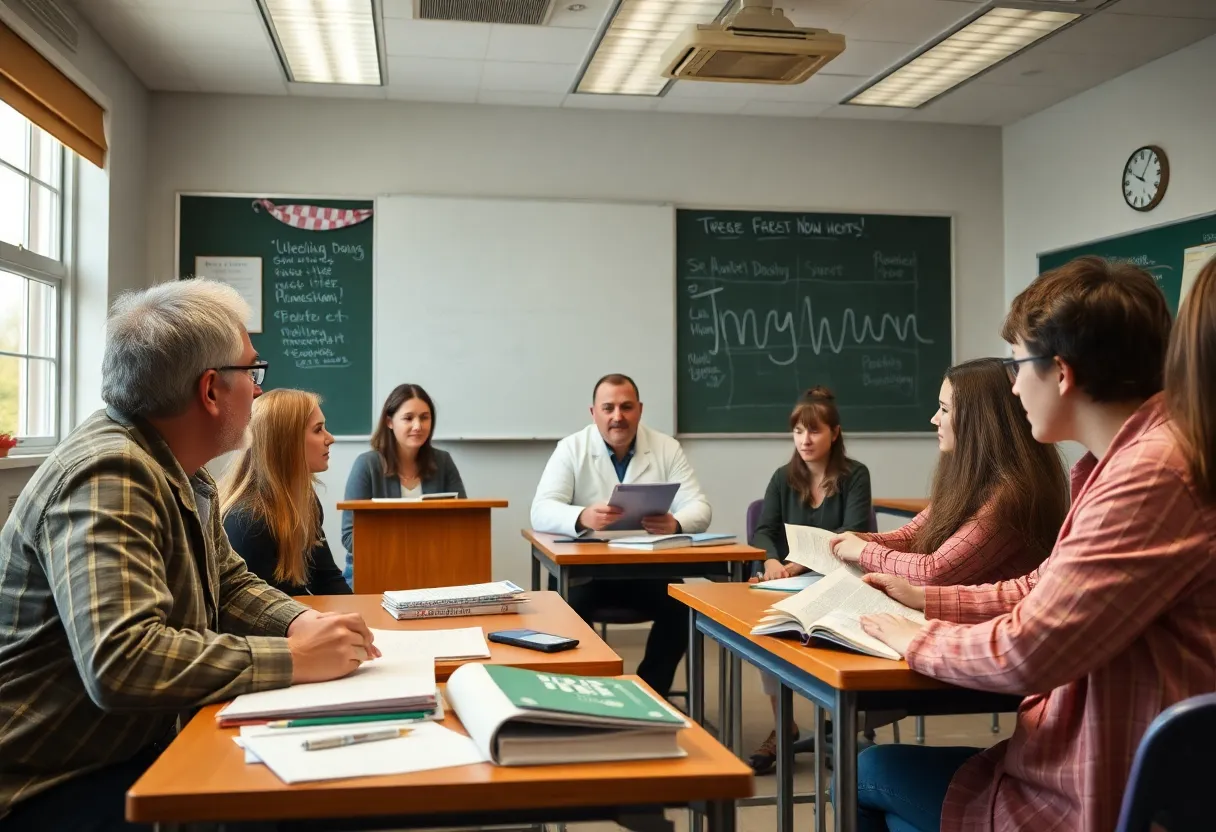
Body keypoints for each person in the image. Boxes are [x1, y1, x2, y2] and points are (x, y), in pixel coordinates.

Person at [0, 279, 378, 831]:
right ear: (210, 390)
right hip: (53, 781)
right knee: (284, 804)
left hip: (125, 749)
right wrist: (294, 659)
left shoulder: (175, 464)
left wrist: (304, 623)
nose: (257, 389)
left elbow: (227, 582)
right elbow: (122, 660)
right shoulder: (111, 475)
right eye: (252, 372)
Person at [857, 256, 1216, 832]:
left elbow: (1027, 651)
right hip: (1094, 762)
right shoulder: (1128, 458)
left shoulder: (1149, 474)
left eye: (1020, 364)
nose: (1016, 384)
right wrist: (927, 601)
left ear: (1063, 372)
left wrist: (919, 638)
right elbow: (1044, 587)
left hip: (1102, 792)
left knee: (866, 773)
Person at [531, 373, 712, 697]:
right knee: (565, 611)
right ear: (593, 413)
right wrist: (581, 516)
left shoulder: (666, 448)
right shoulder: (571, 448)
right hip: (583, 575)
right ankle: (588, 695)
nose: (618, 416)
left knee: (683, 609)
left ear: (640, 410)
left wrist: (677, 524)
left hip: (646, 572)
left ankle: (648, 693)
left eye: (626, 407)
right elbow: (540, 509)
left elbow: (700, 507)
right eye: (609, 407)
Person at [831, 357, 1069, 586]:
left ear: (979, 421)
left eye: (944, 410)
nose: (934, 419)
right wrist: (855, 540)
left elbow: (935, 572)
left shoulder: (1011, 494)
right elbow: (911, 535)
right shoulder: (970, 477)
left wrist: (864, 550)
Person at [745, 386, 873, 774]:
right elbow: (764, 528)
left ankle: (841, 719)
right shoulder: (783, 478)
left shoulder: (855, 476)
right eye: (798, 431)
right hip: (787, 580)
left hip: (839, 580)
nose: (805, 440)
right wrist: (770, 559)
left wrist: (799, 563)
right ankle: (783, 725)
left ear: (834, 433)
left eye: (814, 431)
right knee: (764, 628)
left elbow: (852, 534)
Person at [220, 388, 351, 597]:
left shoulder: (305, 500)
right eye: (318, 430)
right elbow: (264, 612)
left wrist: (361, 620)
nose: (330, 438)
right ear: (287, 441)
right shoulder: (248, 521)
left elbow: (326, 579)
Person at [342, 383, 466, 585]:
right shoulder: (366, 465)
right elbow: (349, 537)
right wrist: (409, 545)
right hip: (373, 568)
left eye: (424, 418)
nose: (418, 426)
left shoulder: (443, 462)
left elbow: (464, 523)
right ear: (390, 422)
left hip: (432, 567)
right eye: (408, 418)